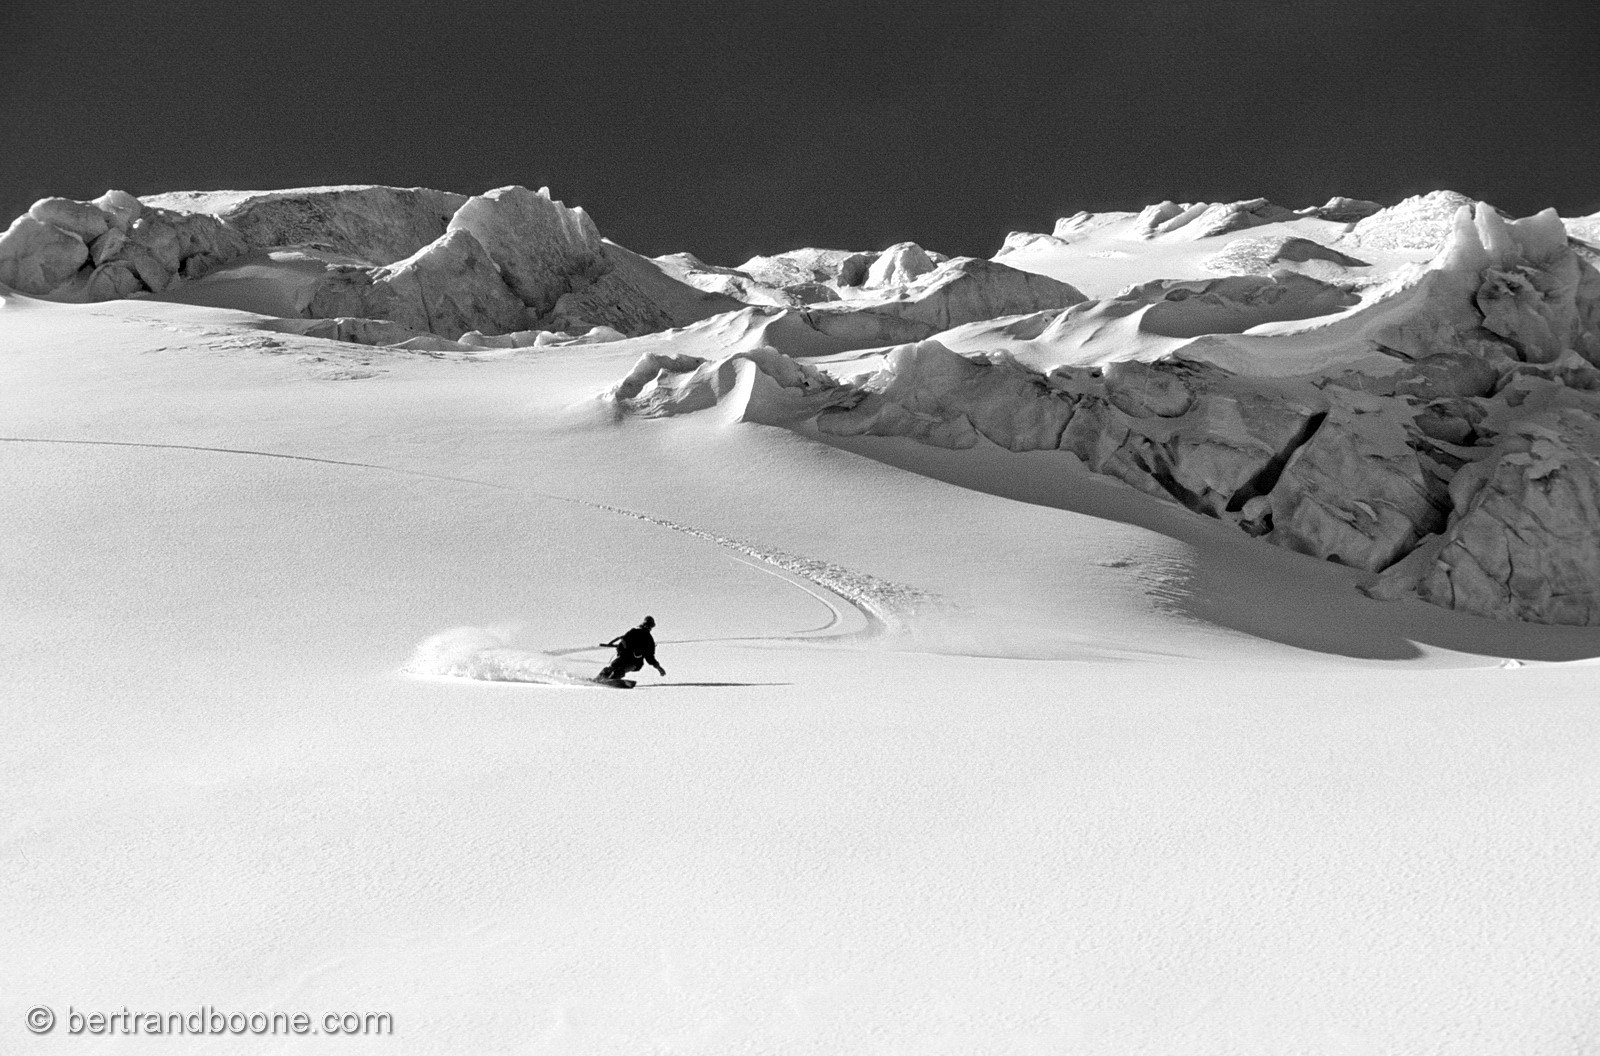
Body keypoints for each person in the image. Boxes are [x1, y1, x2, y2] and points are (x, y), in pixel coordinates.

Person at [598, 615, 666, 681]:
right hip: (627, 658)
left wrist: (658, 668)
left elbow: (650, 657)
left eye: (649, 626)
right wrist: (621, 652)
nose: (648, 628)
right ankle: (601, 678)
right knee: (615, 667)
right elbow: (622, 643)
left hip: (632, 661)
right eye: (647, 625)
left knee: (619, 669)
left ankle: (610, 679)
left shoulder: (648, 639)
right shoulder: (634, 632)